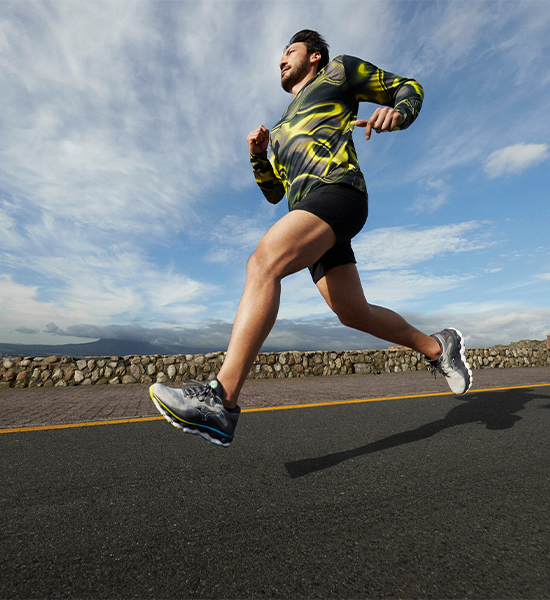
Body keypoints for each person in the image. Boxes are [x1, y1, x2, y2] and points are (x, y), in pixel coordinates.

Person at [150, 30, 472, 447]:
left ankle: (221, 400)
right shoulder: (281, 127)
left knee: (263, 263)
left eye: (290, 51)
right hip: (310, 215)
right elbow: (274, 193)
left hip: (339, 191)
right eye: (281, 55)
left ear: (314, 56)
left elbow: (408, 87)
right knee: (352, 312)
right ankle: (438, 347)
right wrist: (258, 156)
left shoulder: (340, 71)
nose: (281, 60)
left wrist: (398, 112)